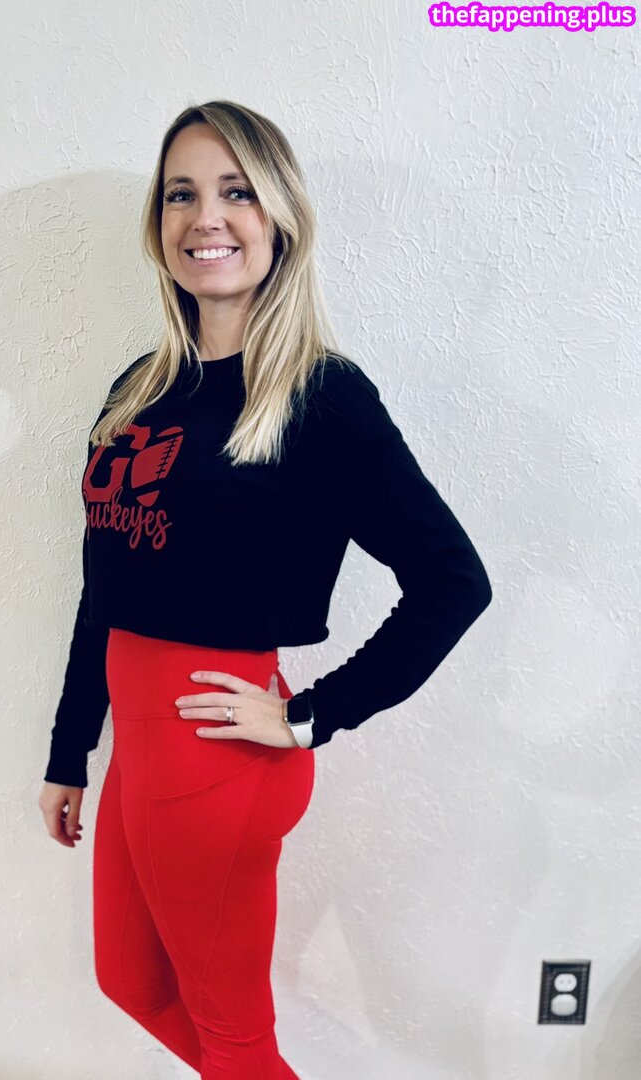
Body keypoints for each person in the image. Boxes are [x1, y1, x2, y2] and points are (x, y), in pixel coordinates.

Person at [37, 99, 492, 1079]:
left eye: (236, 191)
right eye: (181, 194)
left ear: (280, 215)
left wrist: (313, 713)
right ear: (159, 223)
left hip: (215, 754)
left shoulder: (322, 395)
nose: (207, 217)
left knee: (238, 1043)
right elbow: (103, 585)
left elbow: (453, 580)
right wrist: (71, 750)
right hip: (140, 749)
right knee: (130, 982)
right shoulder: (138, 390)